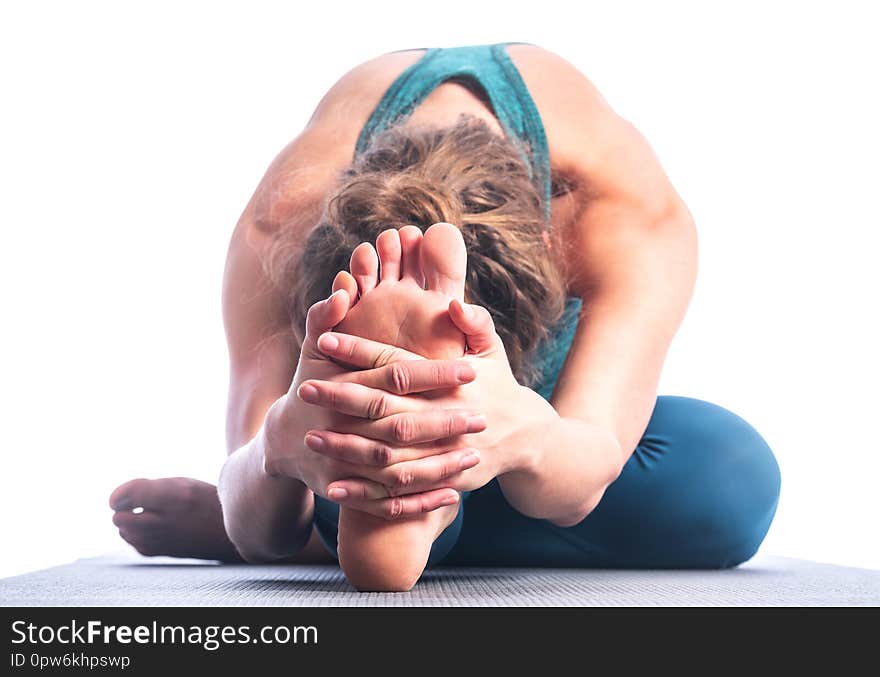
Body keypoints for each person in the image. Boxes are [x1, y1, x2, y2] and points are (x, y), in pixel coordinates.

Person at [109, 43, 781, 591]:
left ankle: (355, 518)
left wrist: (526, 433)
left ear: (552, 248)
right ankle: (389, 489)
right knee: (333, 449)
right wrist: (277, 445)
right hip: (358, 429)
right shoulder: (282, 220)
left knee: (731, 471)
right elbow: (258, 509)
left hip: (538, 420)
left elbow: (586, 466)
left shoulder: (624, 214)